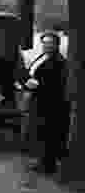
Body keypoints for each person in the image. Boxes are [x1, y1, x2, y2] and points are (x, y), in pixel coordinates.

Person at [22, 31, 70, 174]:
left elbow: (57, 84)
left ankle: (48, 164)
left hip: (50, 102)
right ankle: (42, 161)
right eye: (44, 43)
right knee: (40, 131)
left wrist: (37, 85)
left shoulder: (59, 62)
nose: (46, 46)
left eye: (49, 43)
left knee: (49, 133)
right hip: (39, 99)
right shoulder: (43, 57)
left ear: (56, 45)